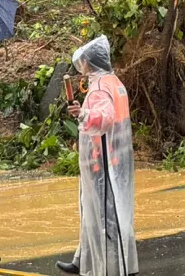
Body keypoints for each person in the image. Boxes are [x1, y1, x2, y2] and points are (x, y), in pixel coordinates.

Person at [57, 36, 138, 276]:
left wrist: (82, 114)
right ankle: (84, 259)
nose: (81, 69)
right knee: (94, 211)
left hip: (104, 163)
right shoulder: (114, 82)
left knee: (105, 216)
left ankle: (113, 267)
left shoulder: (101, 86)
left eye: (83, 64)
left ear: (90, 64)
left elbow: (104, 118)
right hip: (117, 158)